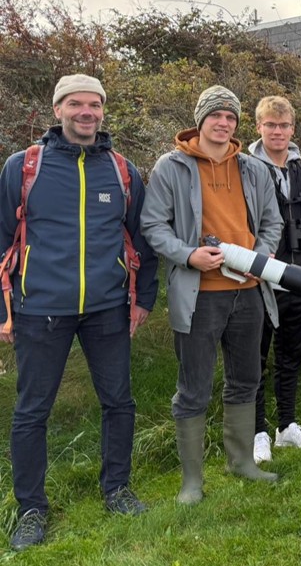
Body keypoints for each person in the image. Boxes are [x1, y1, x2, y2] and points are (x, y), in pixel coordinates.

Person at [0, 75, 159, 550]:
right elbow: (2, 237)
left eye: (94, 104)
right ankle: (31, 508)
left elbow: (142, 239)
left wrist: (144, 298)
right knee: (32, 411)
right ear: (58, 110)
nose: (86, 112)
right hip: (39, 308)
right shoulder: (24, 166)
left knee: (119, 402)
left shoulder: (122, 169)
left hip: (108, 307)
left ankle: (117, 489)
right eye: (75, 104)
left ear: (103, 111)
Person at [143, 85, 281, 505]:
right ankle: (192, 481)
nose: (223, 123)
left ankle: (241, 462)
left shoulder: (253, 168)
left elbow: (272, 222)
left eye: (230, 117)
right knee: (194, 387)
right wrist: (188, 255)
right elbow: (153, 225)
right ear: (200, 120)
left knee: (247, 380)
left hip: (249, 292)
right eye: (216, 116)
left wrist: (258, 259)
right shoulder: (171, 166)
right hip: (199, 296)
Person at [248, 96, 301, 463]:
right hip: (261, 278)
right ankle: (257, 431)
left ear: (293, 129)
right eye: (270, 125)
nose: (277, 131)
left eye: (283, 125)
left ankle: (287, 425)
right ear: (258, 127)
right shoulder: (246, 168)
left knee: (291, 357)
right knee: (255, 359)